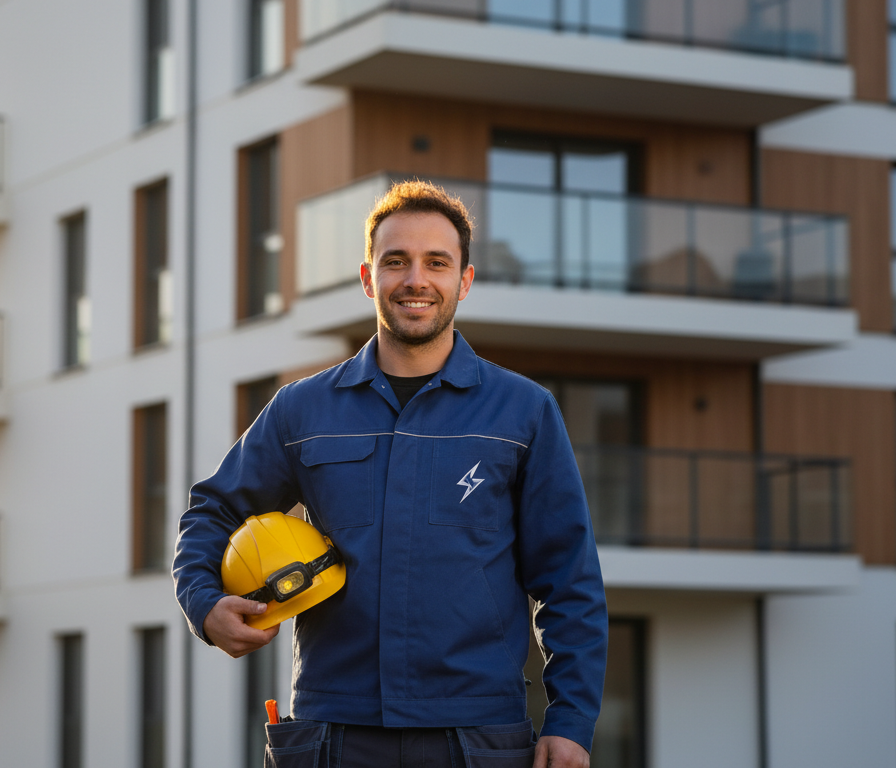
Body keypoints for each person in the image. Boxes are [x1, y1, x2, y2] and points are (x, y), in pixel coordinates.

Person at [174, 181, 607, 768]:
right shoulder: (303, 411)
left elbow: (569, 579)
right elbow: (213, 510)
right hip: (336, 732)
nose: (415, 280)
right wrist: (204, 603)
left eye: (438, 262)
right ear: (367, 277)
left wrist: (572, 720)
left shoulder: (523, 412)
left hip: (478, 735)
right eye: (395, 261)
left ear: (465, 280)